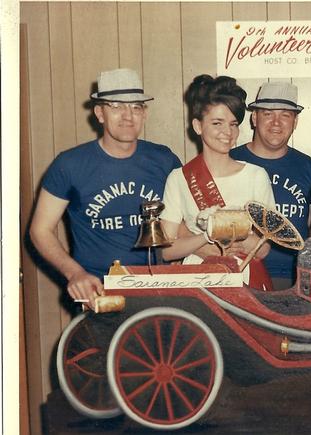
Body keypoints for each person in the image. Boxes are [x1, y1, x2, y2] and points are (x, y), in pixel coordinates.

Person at [29, 68, 182, 308]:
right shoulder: (70, 164)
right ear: (100, 113)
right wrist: (75, 274)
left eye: (136, 107)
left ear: (145, 114)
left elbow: (182, 221)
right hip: (99, 291)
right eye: (116, 106)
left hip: (158, 288)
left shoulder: (164, 159)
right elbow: (40, 230)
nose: (127, 116)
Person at [160, 75, 275, 290]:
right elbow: (167, 250)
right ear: (197, 126)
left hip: (246, 277)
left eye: (233, 124)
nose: (228, 133)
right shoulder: (179, 178)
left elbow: (263, 248)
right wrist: (204, 239)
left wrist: (225, 239)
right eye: (217, 123)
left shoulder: (256, 175)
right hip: (197, 280)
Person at [230, 82, 311, 289]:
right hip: (241, 272)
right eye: (268, 114)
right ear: (254, 118)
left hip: (293, 278)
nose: (276, 123)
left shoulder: (308, 167)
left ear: (295, 122)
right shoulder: (230, 160)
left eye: (285, 115)